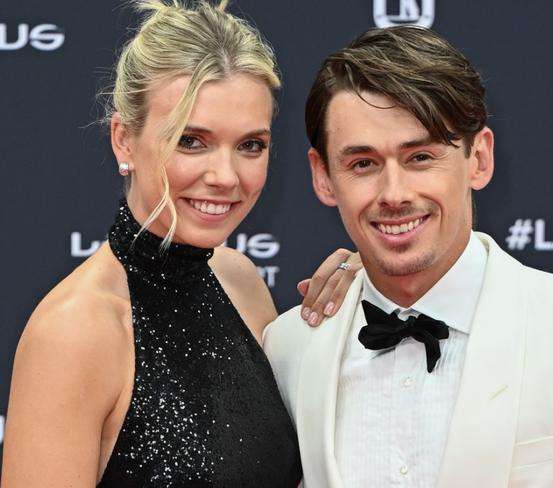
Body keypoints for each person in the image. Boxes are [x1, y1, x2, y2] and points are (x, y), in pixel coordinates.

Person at [264, 25, 553, 487]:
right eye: (363, 164)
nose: (394, 194)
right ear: (323, 176)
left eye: (421, 157)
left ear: (479, 158)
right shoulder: (289, 348)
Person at [0, 1, 359, 486]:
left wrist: (367, 290)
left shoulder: (240, 280)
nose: (226, 176)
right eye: (191, 140)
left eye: (250, 145)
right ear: (124, 140)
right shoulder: (76, 331)